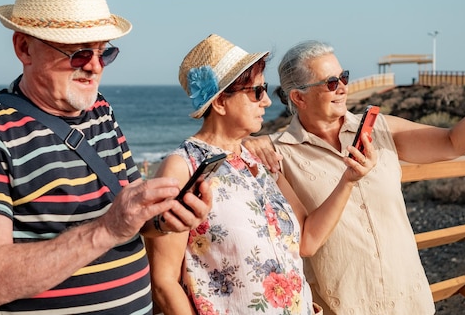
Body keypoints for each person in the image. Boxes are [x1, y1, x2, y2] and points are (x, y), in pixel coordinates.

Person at [0, 0, 211, 314]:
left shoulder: (100, 114)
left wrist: (164, 219)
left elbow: (132, 223)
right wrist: (108, 228)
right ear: (24, 48)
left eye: (104, 52)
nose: (95, 66)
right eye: (79, 52)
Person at [243, 40, 465, 314]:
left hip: (409, 300)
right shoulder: (276, 154)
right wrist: (245, 141)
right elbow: (301, 240)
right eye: (331, 82)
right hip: (344, 307)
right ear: (299, 98)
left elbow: (452, 142)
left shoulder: (381, 130)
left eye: (343, 77)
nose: (344, 87)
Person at [145, 34, 377, 315]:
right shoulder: (183, 167)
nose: (267, 101)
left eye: (265, 89)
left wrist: (349, 179)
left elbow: (307, 241)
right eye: (256, 92)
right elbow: (163, 282)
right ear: (220, 102)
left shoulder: (258, 160)